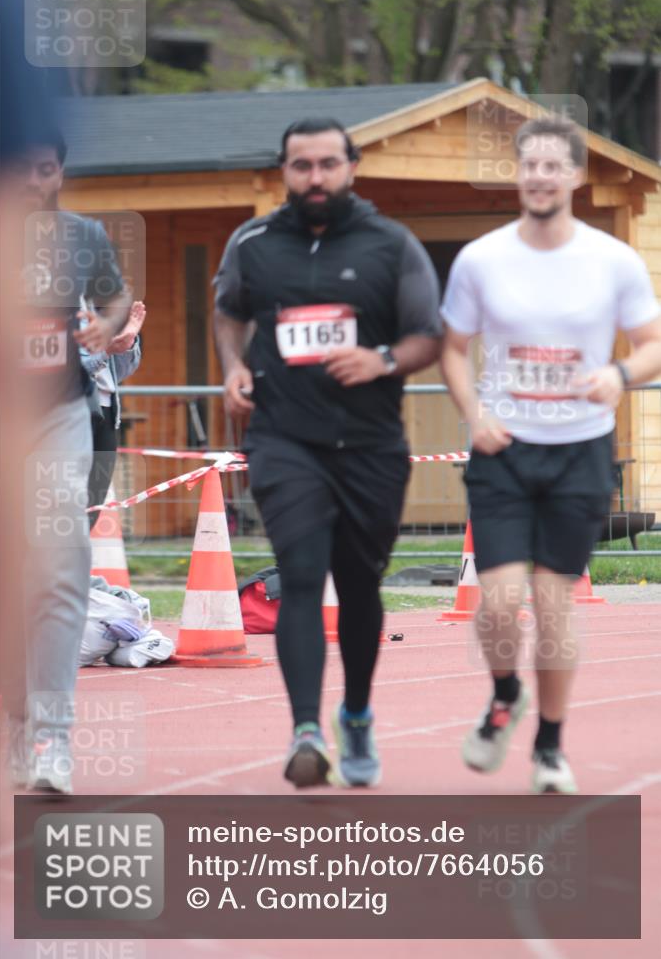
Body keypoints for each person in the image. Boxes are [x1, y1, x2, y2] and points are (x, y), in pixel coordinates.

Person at [213, 117, 441, 788]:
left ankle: (358, 713)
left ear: (351, 167)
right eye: (300, 166)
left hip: (370, 444)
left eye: (326, 165)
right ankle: (305, 729)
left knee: (361, 586)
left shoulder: (389, 244)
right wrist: (232, 366)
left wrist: (379, 359)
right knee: (302, 576)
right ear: (284, 171)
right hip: (284, 439)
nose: (314, 178)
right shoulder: (252, 242)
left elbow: (427, 335)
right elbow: (228, 309)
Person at [440, 116, 661, 793]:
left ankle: (549, 747)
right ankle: (505, 692)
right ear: (518, 175)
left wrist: (617, 376)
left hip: (578, 451)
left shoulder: (611, 260)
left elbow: (651, 342)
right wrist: (473, 415)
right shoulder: (481, 258)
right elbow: (452, 349)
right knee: (500, 605)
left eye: (550, 165)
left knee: (554, 602)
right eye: (527, 165)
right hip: (503, 449)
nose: (538, 176)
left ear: (573, 175)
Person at [4, 125, 131, 794]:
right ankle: (18, 721)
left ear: (58, 173)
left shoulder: (82, 236)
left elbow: (113, 295)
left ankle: (52, 736)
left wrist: (104, 326)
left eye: (44, 168)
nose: (31, 181)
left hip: (58, 413)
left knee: (58, 567)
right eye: (19, 167)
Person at [81, 298, 145, 528]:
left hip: (107, 412)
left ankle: (73, 561)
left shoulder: (105, 312)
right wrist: (107, 351)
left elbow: (120, 372)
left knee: (94, 503)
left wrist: (127, 341)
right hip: (72, 411)